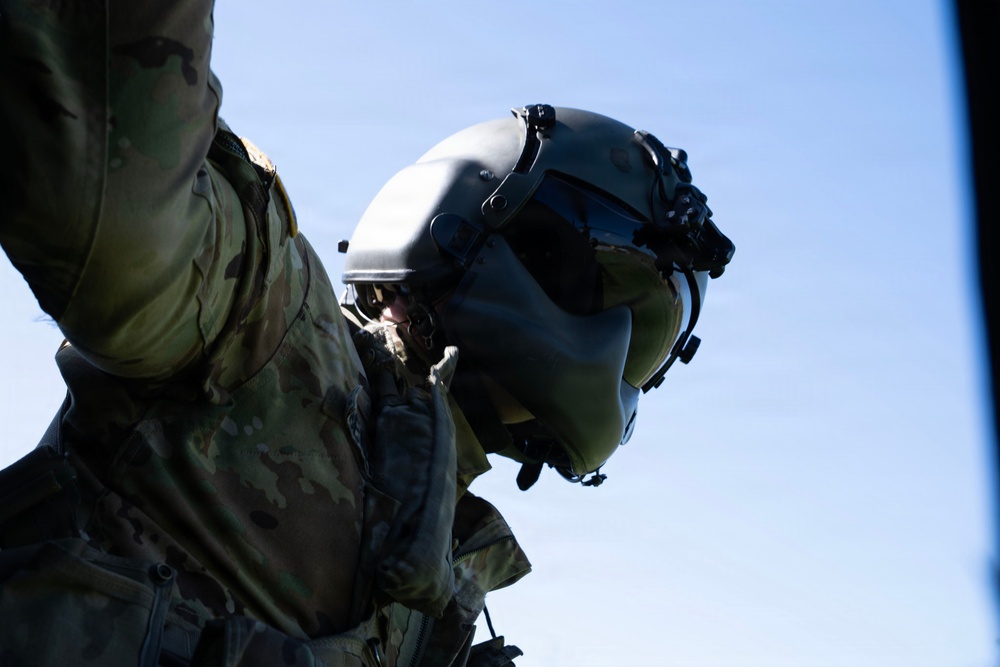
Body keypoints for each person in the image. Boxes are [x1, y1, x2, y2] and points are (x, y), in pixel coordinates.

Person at [0, 3, 733, 666]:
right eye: (600, 286)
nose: (611, 355)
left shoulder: (448, 597)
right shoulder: (264, 318)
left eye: (644, 342)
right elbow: (113, 210)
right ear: (473, 215)